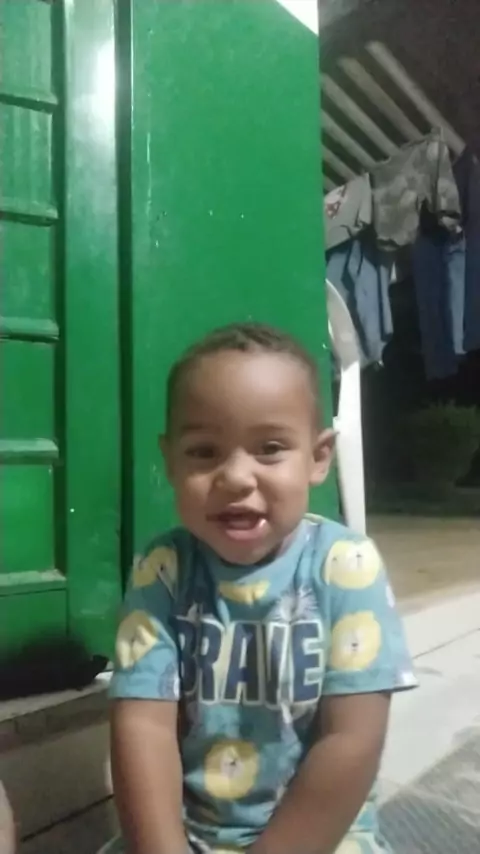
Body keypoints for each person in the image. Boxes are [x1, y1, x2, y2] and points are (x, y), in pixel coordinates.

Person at [104, 322, 416, 854]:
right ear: (170, 459)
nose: (235, 477)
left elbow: (352, 740)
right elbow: (143, 728)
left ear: (319, 457)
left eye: (269, 449)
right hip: (188, 834)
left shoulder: (345, 566)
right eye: (204, 452)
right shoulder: (163, 570)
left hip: (317, 838)